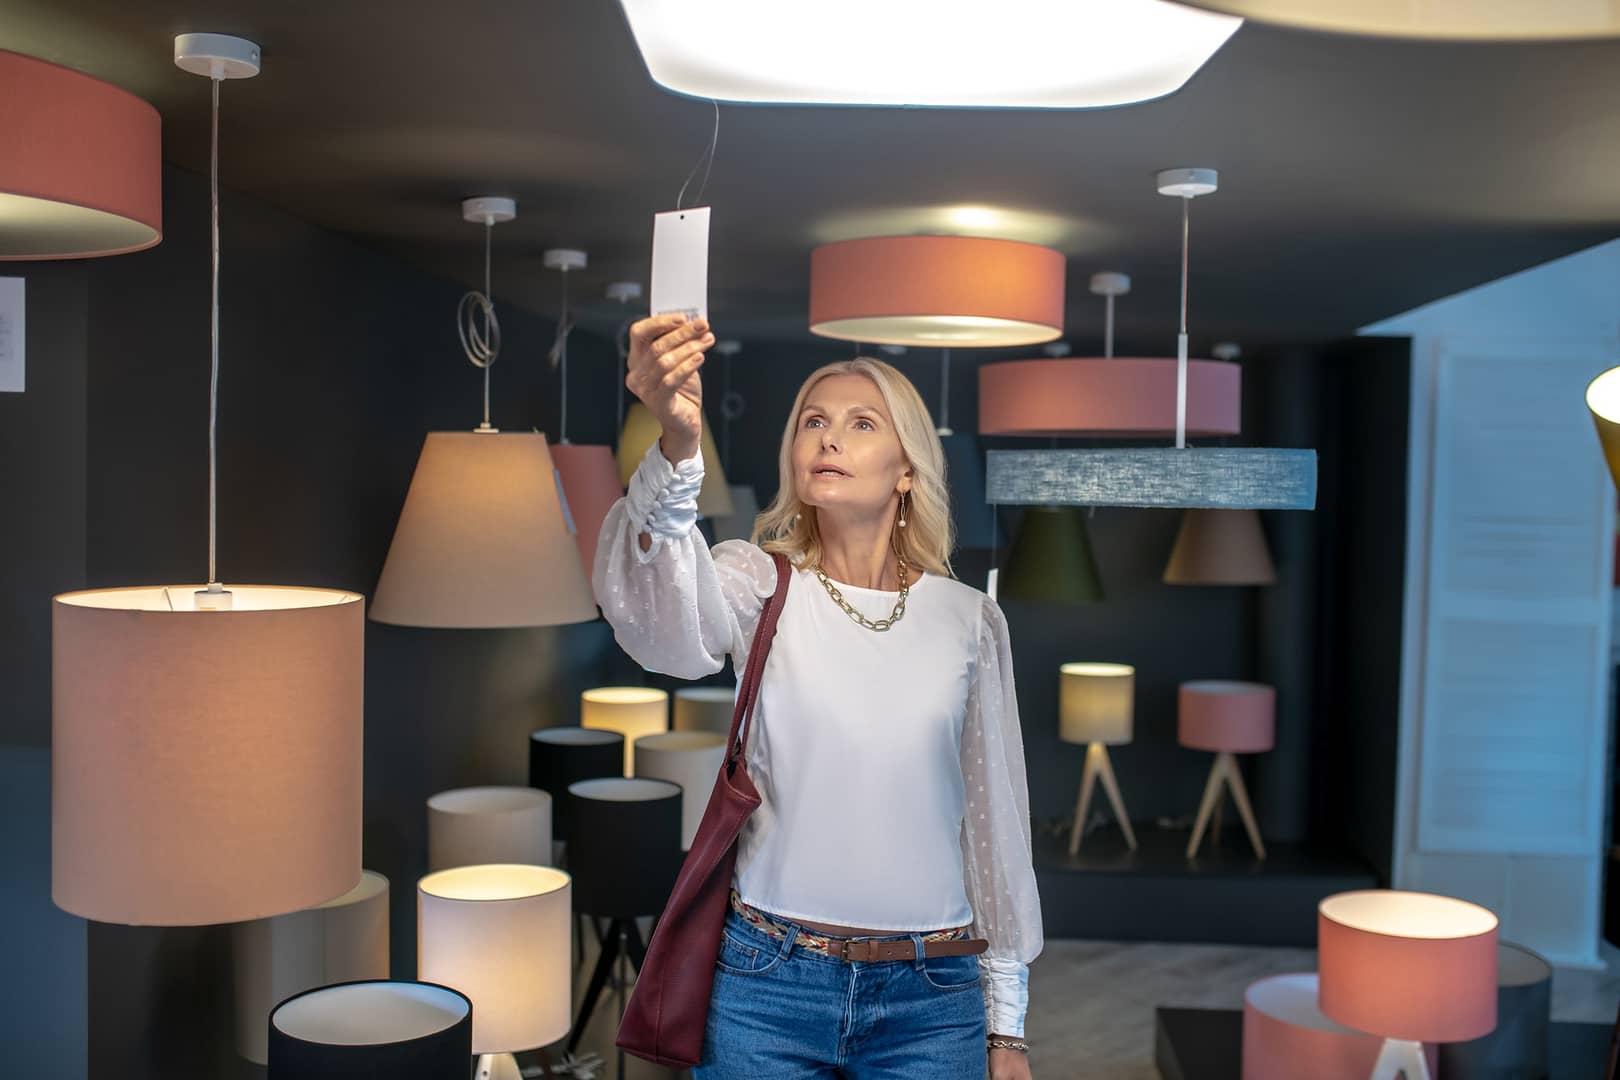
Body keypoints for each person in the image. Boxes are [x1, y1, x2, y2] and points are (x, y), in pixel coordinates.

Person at [594, 314, 1042, 1080]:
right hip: (768, 985)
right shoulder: (755, 581)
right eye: (813, 422)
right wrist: (675, 444)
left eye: (861, 424)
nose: (828, 439)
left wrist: (1007, 1031)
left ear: (906, 469)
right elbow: (654, 623)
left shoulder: (969, 619)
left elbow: (994, 827)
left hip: (931, 997)